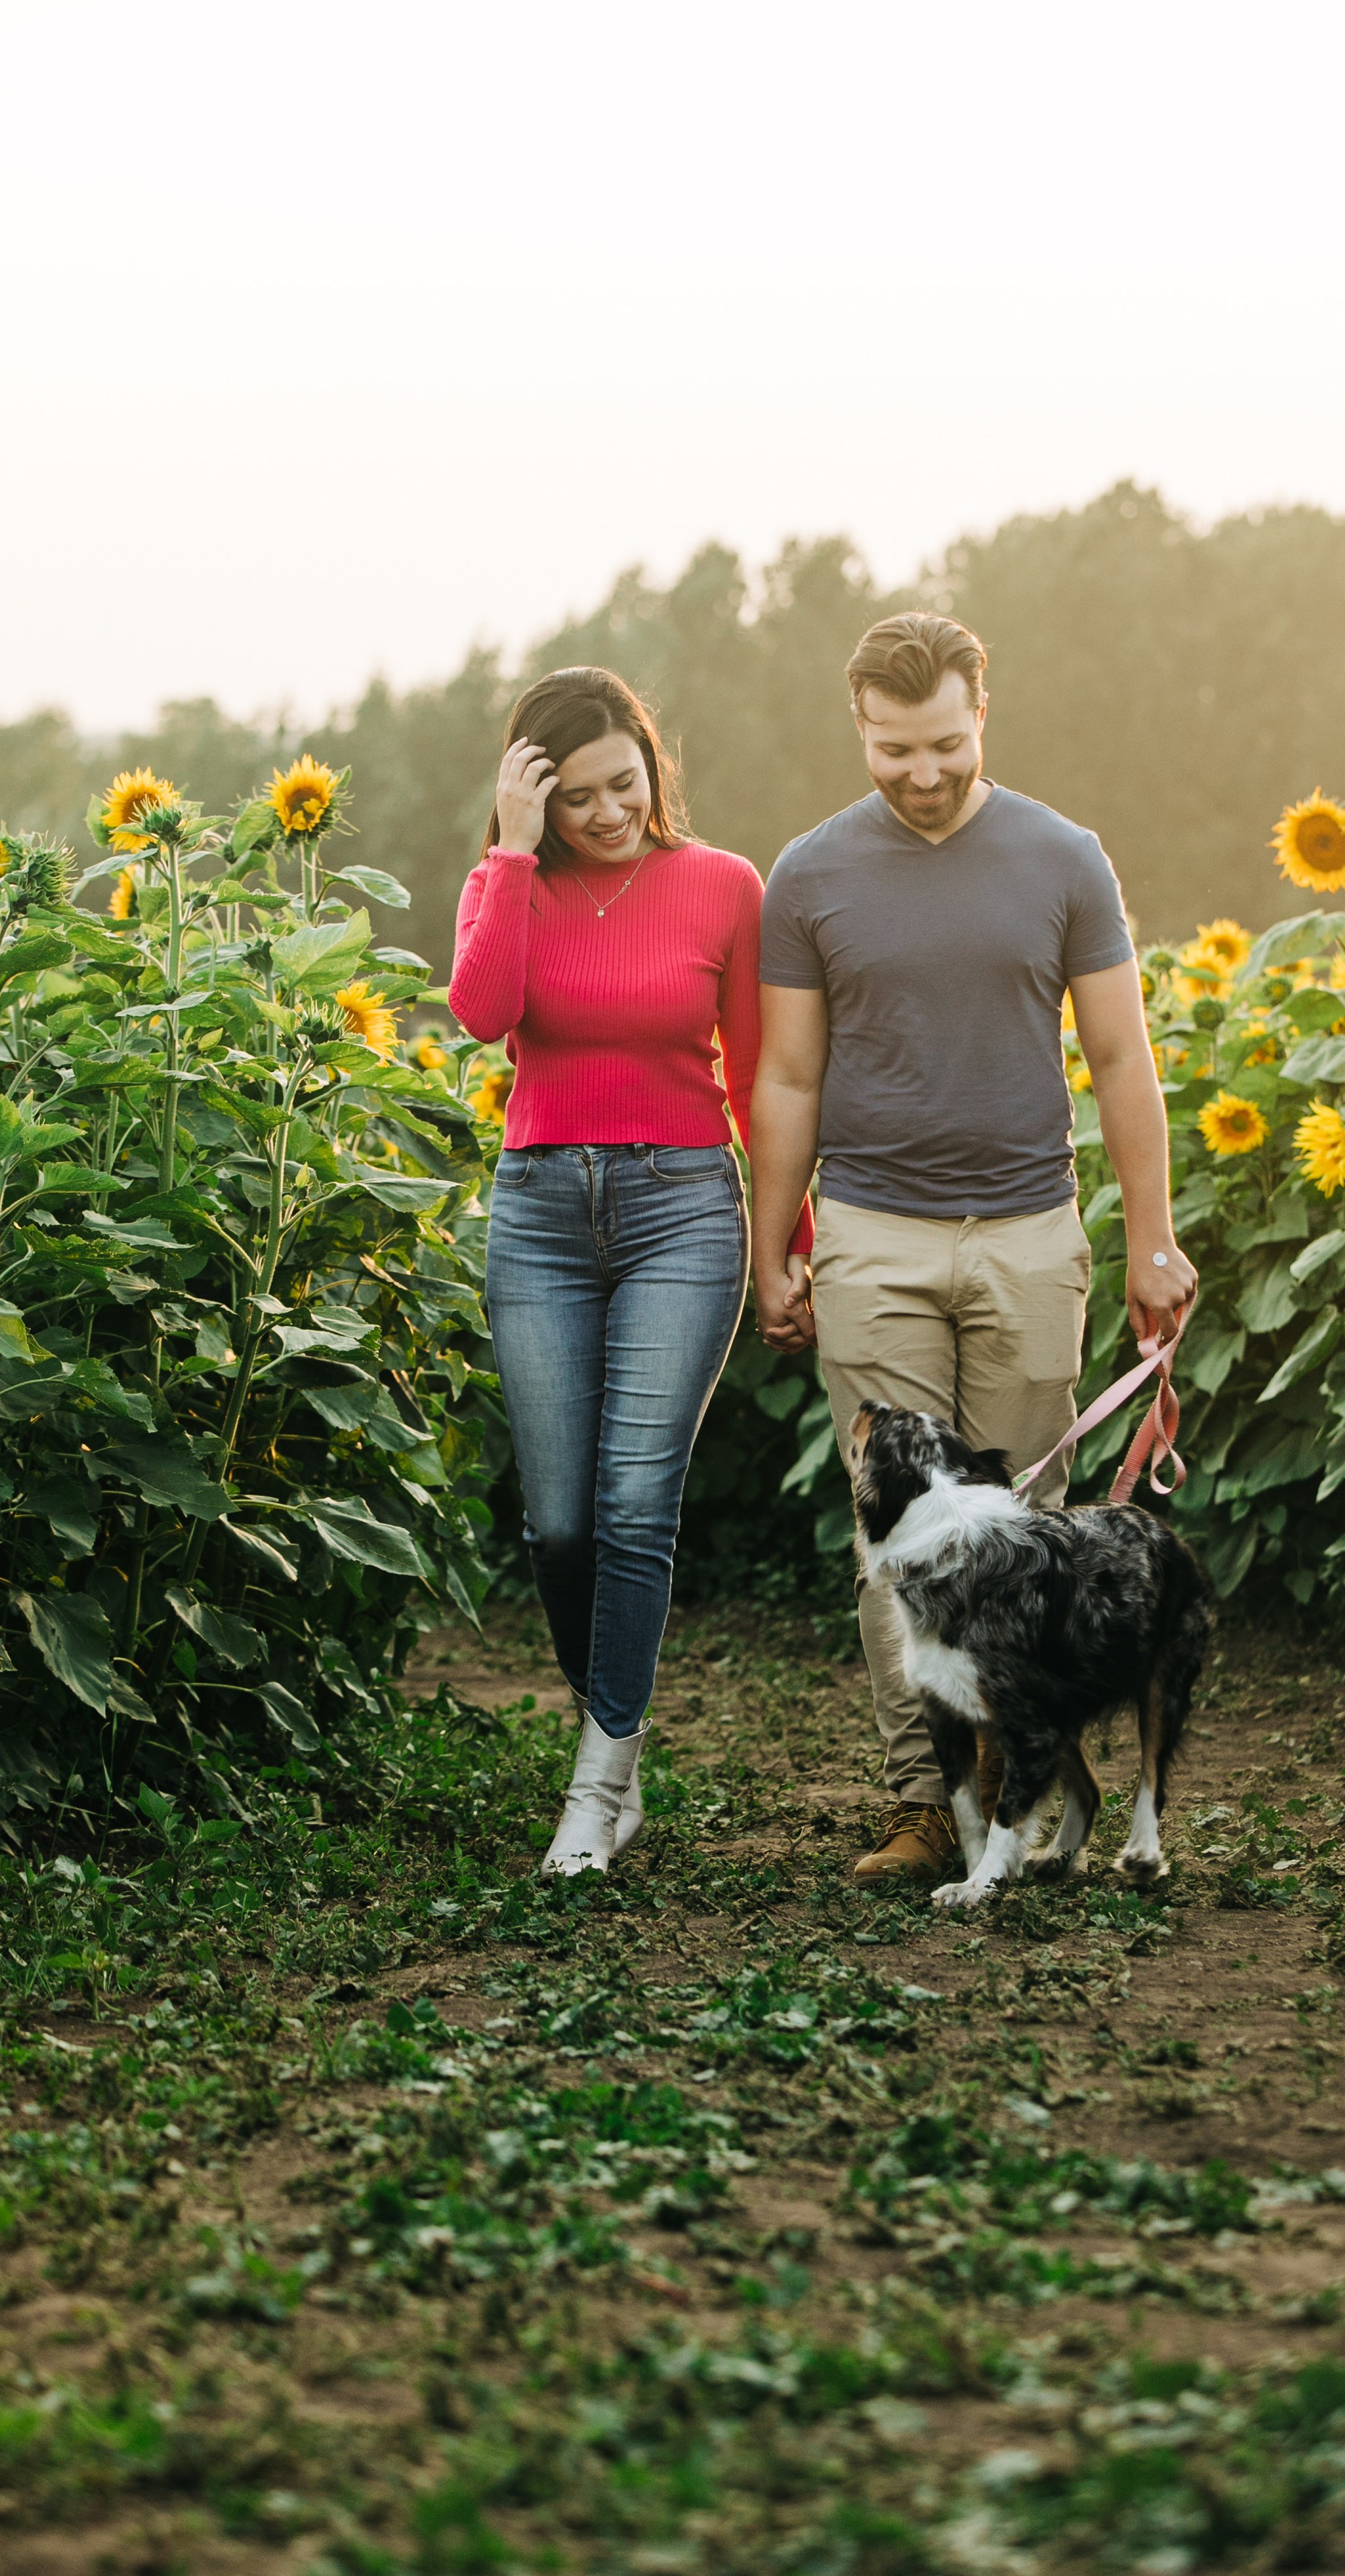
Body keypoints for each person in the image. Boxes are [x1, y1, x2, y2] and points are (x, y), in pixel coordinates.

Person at [748, 611, 1199, 1888]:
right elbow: (786, 1075)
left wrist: (1151, 1241)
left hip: (1028, 1237)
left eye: (944, 742)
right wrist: (772, 1241)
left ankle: (1024, 1796)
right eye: (896, 750)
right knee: (891, 1541)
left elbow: (1121, 1057)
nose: (924, 771)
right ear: (862, 731)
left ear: (981, 715)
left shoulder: (1063, 859)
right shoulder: (813, 874)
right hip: (875, 1236)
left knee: (1027, 1533)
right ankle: (923, 1806)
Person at [449, 666, 811, 1876]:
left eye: (625, 784)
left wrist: (784, 1246)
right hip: (542, 1208)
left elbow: (764, 1076)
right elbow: (481, 1014)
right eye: (576, 796)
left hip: (682, 1211)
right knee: (559, 1524)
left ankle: (598, 1785)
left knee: (634, 1502)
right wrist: (508, 851)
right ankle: (619, 1726)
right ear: (534, 794)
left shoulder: (723, 887)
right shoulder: (508, 888)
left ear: (655, 768)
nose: (606, 813)